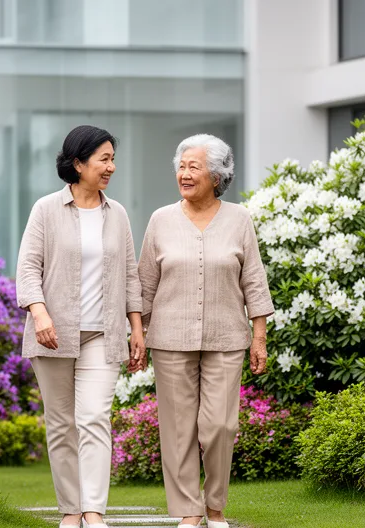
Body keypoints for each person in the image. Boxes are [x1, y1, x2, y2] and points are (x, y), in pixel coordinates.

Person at [135, 134, 273, 528]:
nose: (184, 174)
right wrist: (138, 332)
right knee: (178, 430)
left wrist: (259, 337)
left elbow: (254, 281)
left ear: (216, 176)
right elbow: (145, 284)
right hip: (170, 338)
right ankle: (190, 512)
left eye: (193, 167)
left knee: (220, 426)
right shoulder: (161, 220)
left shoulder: (239, 219)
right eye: (181, 167)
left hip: (226, 337)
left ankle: (215, 506)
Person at [16, 125, 144, 528]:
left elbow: (130, 275)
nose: (111, 167)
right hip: (53, 334)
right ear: (78, 163)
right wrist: (40, 314)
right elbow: (28, 268)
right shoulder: (46, 210)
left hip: (103, 334)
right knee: (60, 424)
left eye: (112, 159)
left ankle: (94, 511)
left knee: (94, 418)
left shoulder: (117, 213)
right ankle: (71, 511)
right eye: (104, 159)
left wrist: (137, 329)